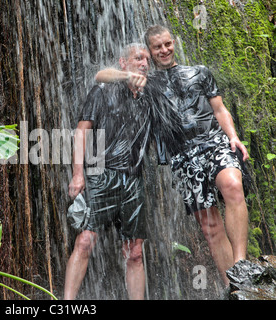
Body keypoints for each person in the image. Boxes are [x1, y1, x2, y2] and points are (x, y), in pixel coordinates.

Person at [96, 25, 249, 285]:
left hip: (214, 141)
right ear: (150, 52)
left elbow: (220, 109)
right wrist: (127, 76)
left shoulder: (200, 72)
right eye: (157, 47)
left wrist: (233, 136)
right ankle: (232, 287)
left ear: (173, 42)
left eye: (167, 44)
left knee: (232, 185)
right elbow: (101, 76)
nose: (164, 50)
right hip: (183, 157)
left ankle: (241, 266)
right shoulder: (148, 84)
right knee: (210, 227)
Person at [65, 43, 183, 300]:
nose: (143, 63)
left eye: (146, 60)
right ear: (123, 62)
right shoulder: (103, 90)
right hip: (100, 173)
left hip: (133, 179)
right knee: (85, 241)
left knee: (135, 251)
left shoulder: (151, 96)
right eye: (137, 58)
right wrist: (78, 174)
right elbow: (82, 131)